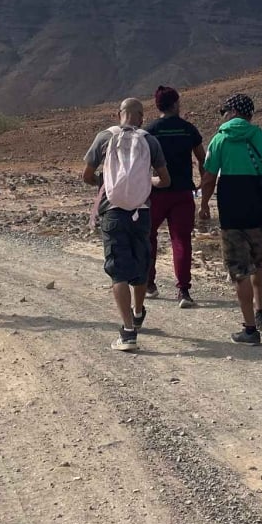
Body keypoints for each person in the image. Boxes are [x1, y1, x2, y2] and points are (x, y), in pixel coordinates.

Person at [198, 93, 262, 345]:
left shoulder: (220, 140)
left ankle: (250, 330)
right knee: (258, 262)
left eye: (224, 111)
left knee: (239, 270)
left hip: (232, 211)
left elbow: (208, 178)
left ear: (231, 112)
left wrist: (204, 203)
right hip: (260, 209)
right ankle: (261, 313)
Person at [83, 98, 171, 352]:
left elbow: (87, 175)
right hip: (141, 213)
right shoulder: (150, 141)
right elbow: (165, 180)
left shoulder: (104, 138)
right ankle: (138, 310)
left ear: (118, 114)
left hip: (113, 213)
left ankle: (128, 332)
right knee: (140, 265)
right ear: (141, 117)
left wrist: (107, 183)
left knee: (118, 271)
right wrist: (147, 182)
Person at [143, 85, 205, 308]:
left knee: (148, 237)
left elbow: (142, 164)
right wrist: (202, 186)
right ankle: (183, 291)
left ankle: (149, 284)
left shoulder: (150, 131)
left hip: (156, 193)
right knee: (181, 240)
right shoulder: (188, 129)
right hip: (182, 193)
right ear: (176, 104)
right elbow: (202, 159)